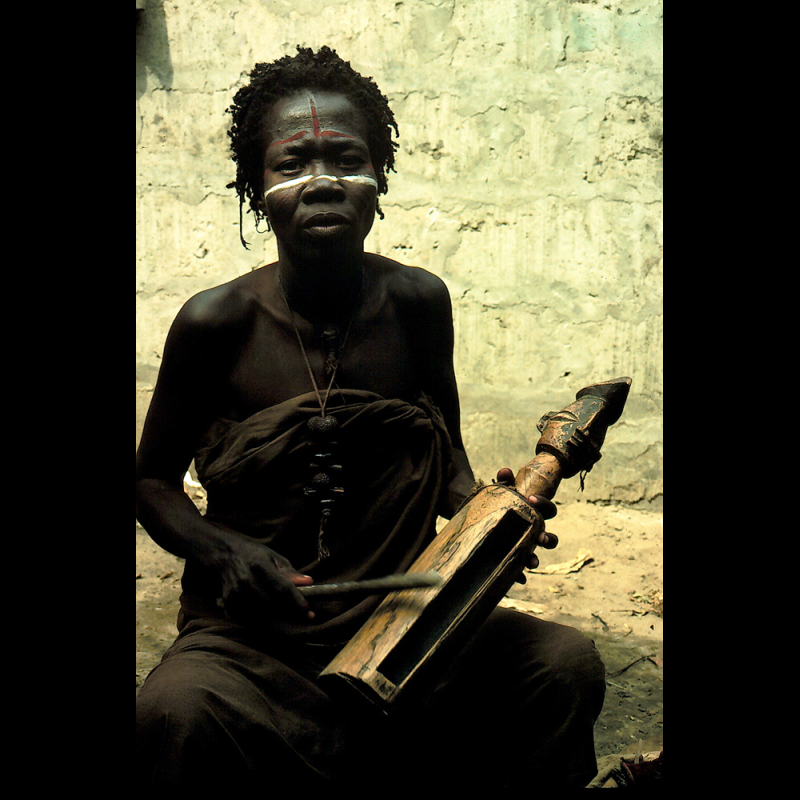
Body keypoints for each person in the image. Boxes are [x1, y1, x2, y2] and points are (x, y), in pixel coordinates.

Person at [135, 45, 606, 791]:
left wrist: (487, 524)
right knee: (175, 711)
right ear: (257, 189)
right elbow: (151, 484)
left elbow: (445, 458)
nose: (322, 182)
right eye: (293, 164)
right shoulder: (214, 324)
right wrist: (226, 552)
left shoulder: (418, 305)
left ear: (379, 176)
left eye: (346, 159)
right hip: (253, 640)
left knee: (560, 665)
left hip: (401, 619)